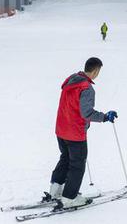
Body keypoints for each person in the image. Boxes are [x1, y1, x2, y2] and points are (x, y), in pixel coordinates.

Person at [49, 57, 118, 209]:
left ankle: (55, 190)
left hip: (61, 129)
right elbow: (86, 113)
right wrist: (105, 117)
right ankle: (69, 198)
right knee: (77, 165)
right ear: (95, 71)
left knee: (65, 158)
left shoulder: (71, 81)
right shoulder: (86, 88)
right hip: (74, 133)